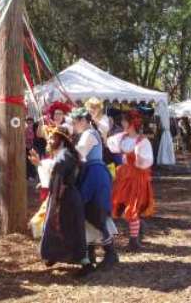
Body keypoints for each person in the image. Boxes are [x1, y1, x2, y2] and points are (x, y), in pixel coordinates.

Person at [28, 126, 94, 277]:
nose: (50, 140)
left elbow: (58, 175)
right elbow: (54, 171)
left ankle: (85, 263)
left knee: (71, 230)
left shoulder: (66, 157)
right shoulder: (64, 155)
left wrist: (52, 187)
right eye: (50, 137)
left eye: (54, 138)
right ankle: (53, 255)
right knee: (57, 228)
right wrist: (40, 164)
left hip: (67, 199)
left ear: (63, 140)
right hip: (62, 197)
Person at [70, 107, 119, 269]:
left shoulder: (89, 134)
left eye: (75, 122)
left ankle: (110, 253)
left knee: (95, 212)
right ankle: (90, 253)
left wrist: (60, 149)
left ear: (83, 121)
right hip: (92, 175)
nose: (74, 125)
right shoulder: (89, 133)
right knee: (88, 211)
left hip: (95, 176)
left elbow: (77, 154)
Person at [108, 110, 155, 251]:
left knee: (133, 207)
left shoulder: (142, 141)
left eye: (124, 121)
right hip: (124, 176)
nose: (122, 123)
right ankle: (138, 229)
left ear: (132, 124)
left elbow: (146, 162)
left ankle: (134, 240)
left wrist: (137, 157)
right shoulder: (121, 137)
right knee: (121, 206)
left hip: (136, 177)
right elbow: (110, 144)